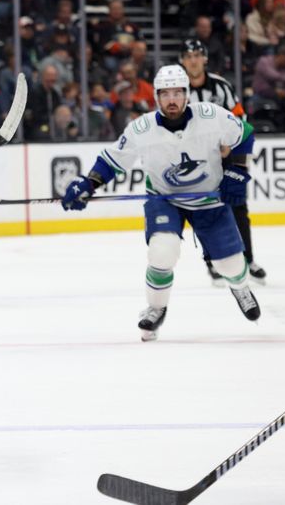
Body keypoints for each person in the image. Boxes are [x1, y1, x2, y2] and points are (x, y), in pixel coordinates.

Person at [61, 65, 261, 342]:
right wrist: (87, 183)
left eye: (178, 92)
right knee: (162, 252)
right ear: (156, 97)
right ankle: (155, 308)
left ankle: (240, 287)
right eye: (165, 93)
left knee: (230, 265)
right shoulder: (142, 129)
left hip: (208, 199)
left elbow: (245, 134)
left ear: (187, 94)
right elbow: (111, 161)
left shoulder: (211, 116)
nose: (172, 99)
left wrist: (237, 170)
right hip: (164, 199)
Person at [180, 38, 267, 285]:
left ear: (205, 58)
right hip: (196, 162)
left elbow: (239, 117)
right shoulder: (178, 89)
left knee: (238, 205)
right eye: (188, 56)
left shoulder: (220, 86)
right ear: (183, 61)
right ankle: (213, 263)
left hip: (225, 156)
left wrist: (230, 144)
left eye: (197, 55)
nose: (193, 60)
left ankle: (248, 260)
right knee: (204, 210)